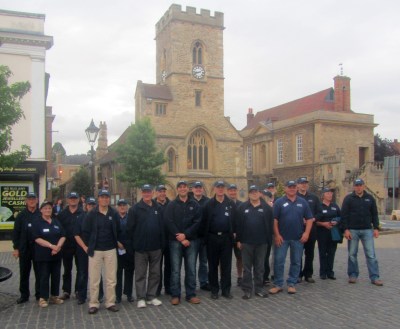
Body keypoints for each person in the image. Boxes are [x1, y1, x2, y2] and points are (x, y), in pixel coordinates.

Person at [269, 180, 314, 295]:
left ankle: (291, 283)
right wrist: (277, 235)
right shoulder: (279, 202)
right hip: (282, 238)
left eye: (294, 187)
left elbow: (309, 219)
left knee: (296, 262)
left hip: (298, 238)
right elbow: (274, 220)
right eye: (290, 187)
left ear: (296, 188)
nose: (292, 189)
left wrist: (306, 233)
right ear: (285, 189)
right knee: (279, 261)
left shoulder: (302, 202)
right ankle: (278, 284)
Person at [82, 189, 122, 314]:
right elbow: (85, 231)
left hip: (110, 249)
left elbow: (118, 229)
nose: (104, 199)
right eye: (102, 197)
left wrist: (118, 242)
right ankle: (93, 303)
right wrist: (89, 245)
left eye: (106, 197)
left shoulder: (113, 213)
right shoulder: (91, 214)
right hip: (96, 250)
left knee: (111, 278)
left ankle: (110, 302)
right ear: (98, 199)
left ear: (109, 199)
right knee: (94, 278)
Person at [165, 180, 202, 305]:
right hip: (175, 241)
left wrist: (186, 235)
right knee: (175, 269)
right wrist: (180, 237)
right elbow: (169, 222)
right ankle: (175, 295)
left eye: (184, 187)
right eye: (180, 187)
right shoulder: (172, 205)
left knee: (191, 268)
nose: (182, 189)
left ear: (188, 189)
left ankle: (190, 294)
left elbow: (197, 222)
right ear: (177, 189)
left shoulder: (195, 204)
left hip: (191, 241)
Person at [127, 184, 164, 308]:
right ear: (141, 193)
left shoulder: (158, 207)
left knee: (155, 273)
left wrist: (161, 244)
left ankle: (151, 296)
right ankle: (141, 297)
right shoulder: (135, 209)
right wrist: (133, 246)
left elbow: (162, 227)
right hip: (140, 248)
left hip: (156, 247)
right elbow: (130, 229)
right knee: (140, 274)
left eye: (149, 192)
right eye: (144, 192)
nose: (147, 194)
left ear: (152, 193)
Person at [341, 178, 383, 286]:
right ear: (354, 186)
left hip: (367, 230)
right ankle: (353, 275)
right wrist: (345, 229)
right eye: (356, 185)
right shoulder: (348, 199)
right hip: (353, 230)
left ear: (363, 186)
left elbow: (374, 214)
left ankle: (375, 277)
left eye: (360, 185)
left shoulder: (370, 198)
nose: (358, 187)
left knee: (371, 255)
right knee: (352, 254)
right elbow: (344, 215)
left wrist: (376, 228)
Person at [236, 185, 273, 299]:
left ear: (259, 193)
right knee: (247, 268)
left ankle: (259, 288)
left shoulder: (266, 208)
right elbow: (238, 225)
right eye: (251, 192)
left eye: (256, 192)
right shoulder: (242, 207)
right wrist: (238, 240)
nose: (254, 194)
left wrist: (268, 241)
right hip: (246, 242)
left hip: (262, 242)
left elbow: (270, 225)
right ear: (249, 194)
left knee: (260, 267)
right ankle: (247, 289)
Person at [202, 180, 236, 299]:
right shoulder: (208, 204)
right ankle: (214, 290)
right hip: (212, 237)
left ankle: (226, 290)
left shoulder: (231, 204)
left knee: (226, 266)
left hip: (226, 238)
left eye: (222, 187)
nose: (220, 189)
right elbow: (204, 222)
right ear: (214, 189)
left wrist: (235, 233)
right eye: (218, 187)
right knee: (212, 265)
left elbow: (235, 221)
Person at [32, 200, 66, 308]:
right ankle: (43, 298)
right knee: (44, 276)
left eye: (49, 208)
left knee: (56, 276)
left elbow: (63, 235)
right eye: (45, 208)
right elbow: (37, 238)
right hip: (43, 255)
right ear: (41, 210)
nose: (48, 210)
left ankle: (54, 296)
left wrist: (58, 247)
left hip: (56, 254)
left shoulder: (56, 222)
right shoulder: (37, 222)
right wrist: (51, 246)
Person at [12, 192, 41, 304]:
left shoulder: (40, 214)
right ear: (26, 201)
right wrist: (16, 248)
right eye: (29, 199)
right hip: (24, 248)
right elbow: (16, 232)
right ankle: (24, 295)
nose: (32, 201)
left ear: (37, 200)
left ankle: (39, 294)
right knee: (24, 272)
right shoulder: (21, 215)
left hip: (37, 248)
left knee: (39, 272)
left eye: (33, 199)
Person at [57, 191, 84, 300]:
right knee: (67, 269)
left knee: (80, 269)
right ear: (67, 200)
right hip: (66, 245)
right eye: (71, 198)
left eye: (75, 198)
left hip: (79, 245)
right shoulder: (62, 214)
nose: (73, 200)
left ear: (78, 200)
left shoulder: (83, 213)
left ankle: (78, 290)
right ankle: (66, 291)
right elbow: (59, 230)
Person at [296, 177, 322, 283]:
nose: (304, 185)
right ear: (298, 185)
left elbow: (320, 212)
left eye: (305, 183)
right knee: (298, 253)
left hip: (311, 229)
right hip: (298, 228)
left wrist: (312, 219)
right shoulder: (294, 197)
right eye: (302, 183)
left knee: (310, 253)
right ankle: (298, 274)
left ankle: (308, 274)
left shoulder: (314, 198)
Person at [316, 188, 341, 280]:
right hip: (322, 232)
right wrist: (324, 224)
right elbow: (314, 220)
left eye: (331, 193)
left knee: (331, 253)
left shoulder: (335, 206)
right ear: (323, 195)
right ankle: (322, 272)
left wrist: (337, 221)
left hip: (333, 232)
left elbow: (340, 216)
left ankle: (330, 272)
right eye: (328, 193)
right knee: (322, 252)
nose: (330, 195)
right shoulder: (319, 206)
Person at [192, 181, 210, 291]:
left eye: (200, 187)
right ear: (192, 189)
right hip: (193, 237)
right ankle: (192, 283)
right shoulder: (189, 201)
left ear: (202, 189)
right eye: (196, 187)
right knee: (192, 262)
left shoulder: (208, 201)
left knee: (203, 262)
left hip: (204, 237)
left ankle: (203, 282)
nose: (198, 189)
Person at [115, 199, 134, 303]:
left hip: (129, 248)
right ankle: (117, 295)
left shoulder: (131, 217)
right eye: (120, 205)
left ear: (127, 207)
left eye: (124, 205)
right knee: (117, 273)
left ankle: (129, 294)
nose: (122, 207)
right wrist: (117, 243)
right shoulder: (114, 217)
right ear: (117, 207)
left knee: (129, 272)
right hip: (117, 247)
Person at [154, 184, 171, 296]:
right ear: (156, 193)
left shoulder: (171, 204)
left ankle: (168, 288)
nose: (162, 193)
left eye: (164, 191)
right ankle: (157, 288)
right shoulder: (153, 205)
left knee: (169, 265)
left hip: (169, 240)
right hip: (158, 241)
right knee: (157, 267)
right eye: (160, 191)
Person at [227, 183, 243, 287]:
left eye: (234, 190)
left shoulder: (242, 204)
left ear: (236, 191)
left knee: (240, 257)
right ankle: (223, 277)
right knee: (224, 258)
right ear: (228, 192)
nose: (233, 192)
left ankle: (240, 277)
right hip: (227, 236)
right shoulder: (224, 203)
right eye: (231, 190)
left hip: (238, 236)